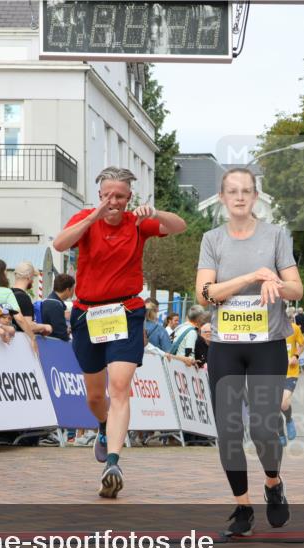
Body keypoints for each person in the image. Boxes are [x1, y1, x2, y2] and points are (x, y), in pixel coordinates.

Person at [51, 166, 187, 498]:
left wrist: (154, 212)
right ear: (99, 196)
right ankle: (102, 428)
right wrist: (92, 216)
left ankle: (113, 462)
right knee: (96, 397)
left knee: (120, 387)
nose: (113, 202)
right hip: (88, 313)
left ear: (129, 199)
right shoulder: (86, 218)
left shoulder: (137, 223)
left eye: (120, 197)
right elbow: (59, 244)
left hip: (126, 312)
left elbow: (179, 226)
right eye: (108, 196)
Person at [195, 167, 303, 536]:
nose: (239, 197)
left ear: (256, 197)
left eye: (246, 191)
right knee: (228, 430)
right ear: (223, 199)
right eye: (232, 191)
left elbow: (296, 289)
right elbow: (204, 294)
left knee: (263, 429)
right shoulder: (212, 239)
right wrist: (249, 278)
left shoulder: (275, 236)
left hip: (267, 345)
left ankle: (273, 483)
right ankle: (242, 508)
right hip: (226, 345)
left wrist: (277, 282)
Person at [281, 308, 304, 444]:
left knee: (284, 403)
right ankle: (280, 434)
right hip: (272, 372)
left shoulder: (294, 329)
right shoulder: (268, 330)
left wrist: (296, 355)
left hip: (290, 371)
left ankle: (289, 420)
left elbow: (303, 344)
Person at [12, 261, 52, 335]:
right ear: (28, 277)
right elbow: (28, 326)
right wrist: (45, 326)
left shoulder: (8, 293)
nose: (33, 281)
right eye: (33, 277)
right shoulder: (23, 297)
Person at [42, 274, 75, 342]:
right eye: (73, 289)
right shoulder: (56, 305)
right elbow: (62, 335)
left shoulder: (48, 300)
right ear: (67, 290)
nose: (73, 291)